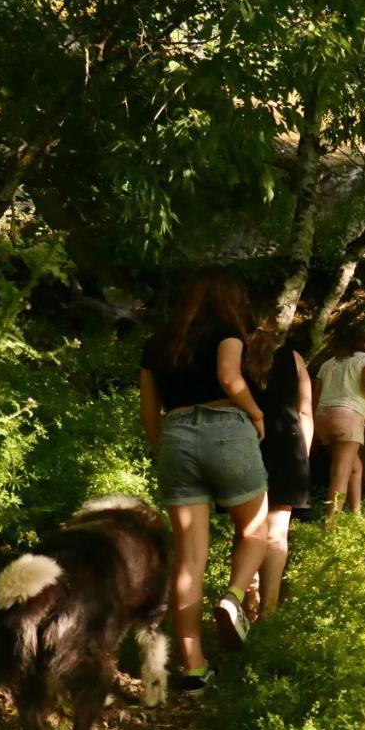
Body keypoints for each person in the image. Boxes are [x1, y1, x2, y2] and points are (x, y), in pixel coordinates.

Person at [139, 269, 268, 693]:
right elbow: (230, 378)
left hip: (176, 436)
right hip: (226, 428)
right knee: (255, 531)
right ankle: (232, 597)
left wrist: (166, 452)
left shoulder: (158, 344)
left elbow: (149, 413)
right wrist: (256, 412)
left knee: (189, 557)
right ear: (229, 300)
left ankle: (193, 668)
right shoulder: (228, 331)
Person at [243, 319, 313, 617]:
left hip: (246, 442)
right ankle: (268, 611)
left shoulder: (235, 355)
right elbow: (305, 411)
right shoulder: (295, 359)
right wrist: (303, 456)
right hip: (288, 445)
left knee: (247, 531)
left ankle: (247, 603)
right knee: (277, 534)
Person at [313, 332, 365, 517]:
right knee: (340, 473)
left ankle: (357, 514)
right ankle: (331, 526)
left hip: (322, 418)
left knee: (355, 466)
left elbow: (315, 397)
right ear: (364, 343)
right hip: (347, 417)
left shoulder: (327, 363)